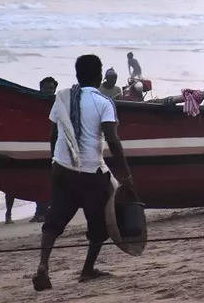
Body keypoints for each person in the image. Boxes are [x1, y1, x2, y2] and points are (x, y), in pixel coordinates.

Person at [34, 54, 135, 291]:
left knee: (54, 220)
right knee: (101, 223)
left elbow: (52, 135)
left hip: (61, 169)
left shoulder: (61, 97)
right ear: (99, 76)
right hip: (90, 173)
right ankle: (88, 270)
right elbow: (113, 140)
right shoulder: (103, 102)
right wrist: (127, 177)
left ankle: (43, 266)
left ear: (77, 74)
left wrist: (55, 163)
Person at [30, 77, 59, 223]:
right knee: (39, 180)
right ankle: (39, 211)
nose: (49, 91)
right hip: (38, 147)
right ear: (40, 88)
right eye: (46, 88)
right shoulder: (33, 103)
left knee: (52, 181)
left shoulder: (59, 104)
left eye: (52, 89)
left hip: (53, 149)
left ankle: (46, 212)